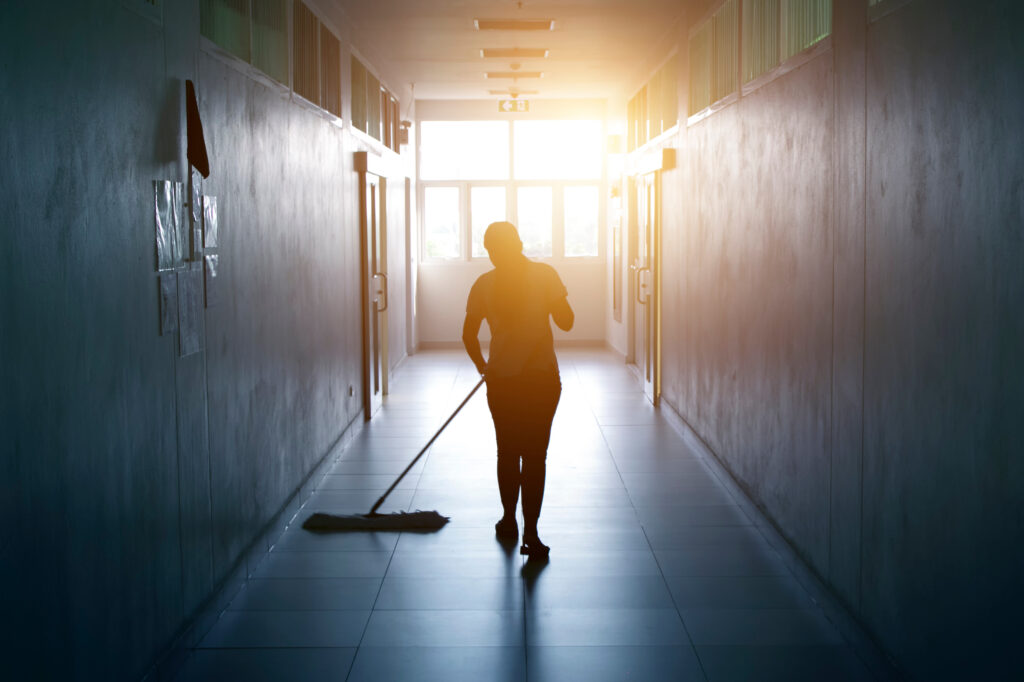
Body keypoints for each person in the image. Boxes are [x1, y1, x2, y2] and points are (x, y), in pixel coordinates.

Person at [462, 222, 574, 559]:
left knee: (508, 452)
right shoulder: (545, 275)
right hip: (541, 380)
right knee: (535, 456)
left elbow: (468, 336)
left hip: (503, 382)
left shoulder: (483, 284)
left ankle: (509, 520)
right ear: (521, 243)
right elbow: (567, 322)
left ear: (491, 251)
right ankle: (532, 533)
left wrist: (484, 368)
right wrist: (554, 303)